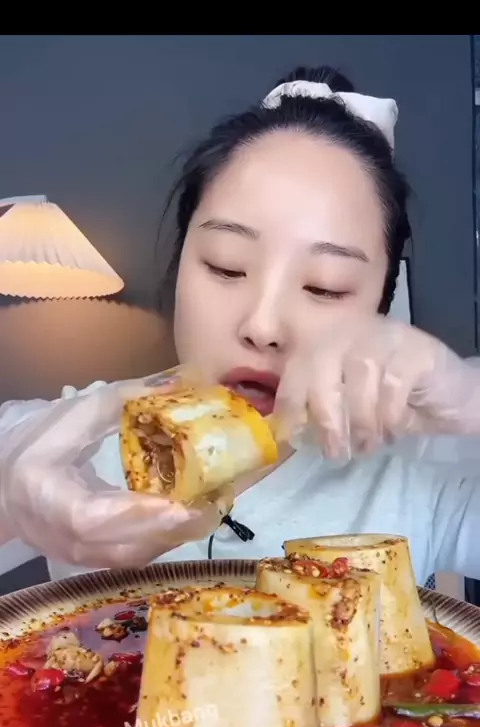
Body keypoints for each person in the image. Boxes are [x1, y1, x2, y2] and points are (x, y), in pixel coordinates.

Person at [1, 64, 480, 587]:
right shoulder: (66, 442)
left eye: (325, 287)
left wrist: (470, 397)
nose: (263, 325)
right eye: (227, 266)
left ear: (379, 308)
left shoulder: (421, 468)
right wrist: (8, 501)